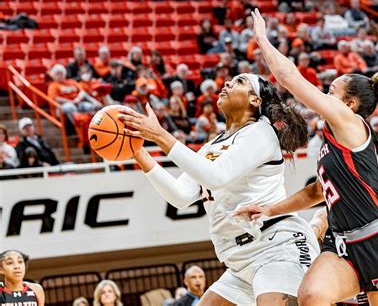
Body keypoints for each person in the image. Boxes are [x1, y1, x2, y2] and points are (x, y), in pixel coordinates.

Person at [249, 8, 378, 305]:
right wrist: (270, 210)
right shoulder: (332, 138)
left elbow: (288, 77)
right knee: (311, 295)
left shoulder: (351, 123)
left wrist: (262, 39)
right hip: (341, 241)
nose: (324, 97)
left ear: (349, 104)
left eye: (331, 91)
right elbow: (318, 191)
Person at [118, 72, 320, 305]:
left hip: (277, 248)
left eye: (239, 82)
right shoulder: (211, 147)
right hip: (240, 260)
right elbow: (180, 196)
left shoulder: (261, 133)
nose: (226, 83)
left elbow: (216, 176)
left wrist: (160, 135)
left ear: (255, 101)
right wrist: (138, 152)